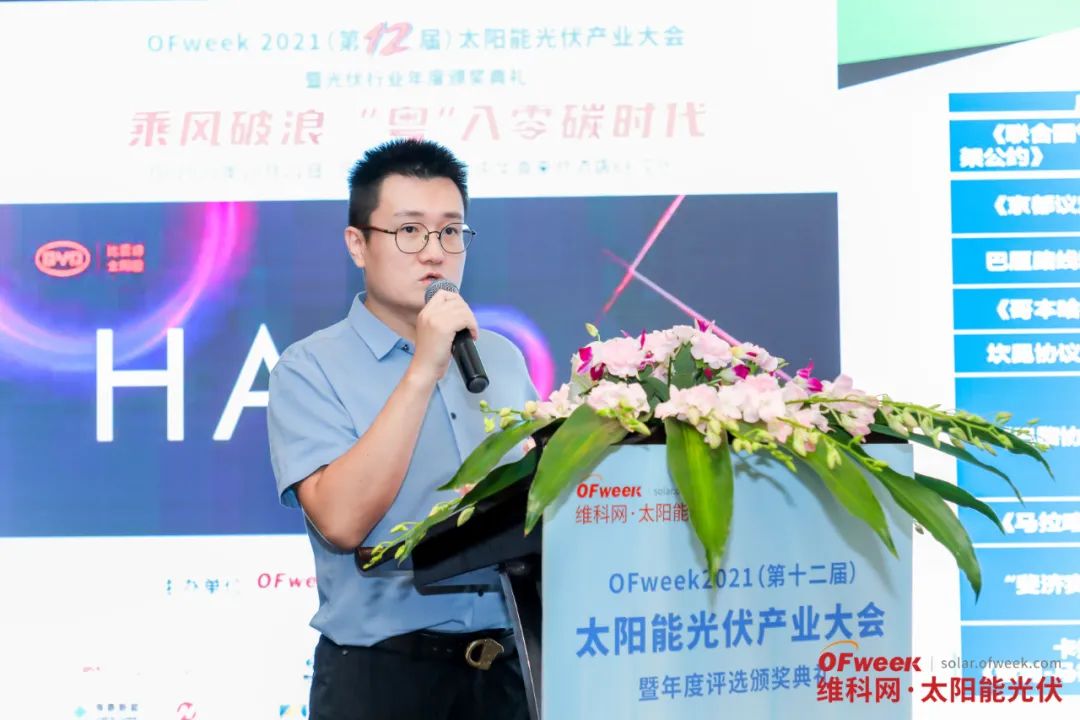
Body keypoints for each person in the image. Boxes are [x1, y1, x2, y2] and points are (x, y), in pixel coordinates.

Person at [267, 138, 536, 720]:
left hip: (508, 675)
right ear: (357, 244)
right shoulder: (308, 368)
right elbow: (341, 522)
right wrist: (422, 370)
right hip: (382, 677)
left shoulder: (503, 359)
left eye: (450, 232)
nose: (434, 253)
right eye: (409, 231)